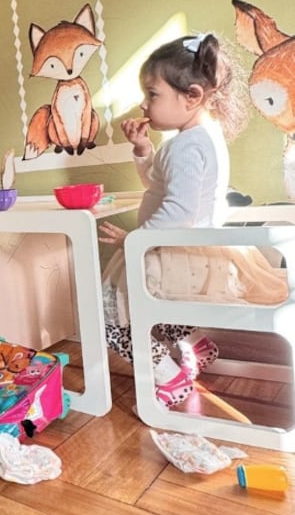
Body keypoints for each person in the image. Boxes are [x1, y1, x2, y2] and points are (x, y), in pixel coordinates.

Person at [99, 31, 250, 409]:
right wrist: (144, 150)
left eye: (153, 94)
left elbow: (179, 210)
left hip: (171, 253)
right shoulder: (198, 138)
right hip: (185, 254)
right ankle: (196, 346)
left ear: (193, 95)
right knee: (148, 308)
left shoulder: (186, 145)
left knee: (112, 315)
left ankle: (169, 379)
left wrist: (133, 240)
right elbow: (159, 185)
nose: (144, 104)